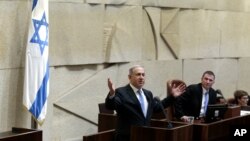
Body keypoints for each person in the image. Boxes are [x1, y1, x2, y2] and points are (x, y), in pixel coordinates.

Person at [105, 65, 186, 141]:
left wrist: (172, 97)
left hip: (145, 135)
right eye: (138, 74)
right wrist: (112, 94)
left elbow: (157, 108)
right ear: (129, 77)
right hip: (127, 137)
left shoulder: (148, 94)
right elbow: (111, 106)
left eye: (143, 75)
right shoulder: (121, 92)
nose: (141, 77)